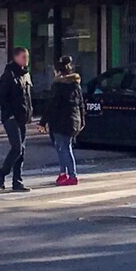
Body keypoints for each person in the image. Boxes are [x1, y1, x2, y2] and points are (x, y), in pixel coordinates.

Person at [42, 55, 85, 186]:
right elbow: (81, 104)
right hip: (74, 120)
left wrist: (43, 122)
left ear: (57, 71)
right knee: (65, 147)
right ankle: (63, 173)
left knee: (63, 148)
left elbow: (53, 105)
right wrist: (82, 120)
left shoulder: (58, 85)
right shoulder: (75, 85)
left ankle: (71, 175)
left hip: (60, 121)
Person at [0, 46, 32, 192]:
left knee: (22, 151)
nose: (26, 59)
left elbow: (27, 98)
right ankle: (2, 173)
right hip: (11, 117)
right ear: (16, 57)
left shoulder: (26, 75)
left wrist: (30, 114)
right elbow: (0, 97)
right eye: (23, 57)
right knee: (17, 148)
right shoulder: (9, 75)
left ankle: (17, 182)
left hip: (23, 117)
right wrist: (10, 113)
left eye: (27, 57)